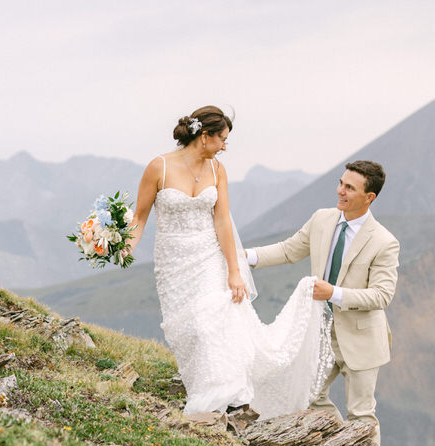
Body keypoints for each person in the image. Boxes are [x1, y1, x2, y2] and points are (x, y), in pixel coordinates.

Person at [127, 107, 330, 425]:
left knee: (213, 322)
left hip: (210, 256)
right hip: (174, 263)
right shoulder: (159, 167)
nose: (224, 146)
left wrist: (234, 270)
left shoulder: (217, 169)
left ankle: (228, 401)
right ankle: (207, 389)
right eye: (222, 139)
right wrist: (122, 246)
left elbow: (222, 220)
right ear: (204, 136)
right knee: (190, 329)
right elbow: (139, 217)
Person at [245, 160, 399, 446]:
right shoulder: (322, 219)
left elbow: (382, 296)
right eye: (340, 183)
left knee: (362, 412)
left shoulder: (384, 242)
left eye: (350, 188)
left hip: (362, 339)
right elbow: (287, 250)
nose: (340, 191)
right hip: (319, 332)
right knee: (312, 396)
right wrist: (244, 258)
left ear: (369, 197)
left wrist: (334, 293)